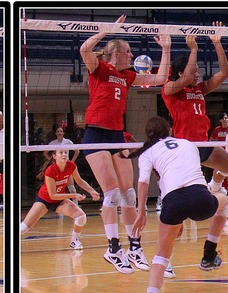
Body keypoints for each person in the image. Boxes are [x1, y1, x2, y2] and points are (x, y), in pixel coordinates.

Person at [79, 14, 171, 273]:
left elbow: (160, 78)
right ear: (115, 54)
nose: (131, 56)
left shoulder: (128, 76)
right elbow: (84, 49)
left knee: (128, 193)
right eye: (128, 52)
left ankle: (135, 246)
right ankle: (113, 248)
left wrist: (166, 49)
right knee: (111, 194)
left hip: (117, 134)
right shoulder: (99, 68)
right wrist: (107, 30)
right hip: (95, 135)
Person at [125, 117, 228, 293]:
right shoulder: (188, 144)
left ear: (148, 135)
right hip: (200, 197)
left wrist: (141, 212)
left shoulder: (147, 152)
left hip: (172, 203)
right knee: (225, 202)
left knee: (160, 258)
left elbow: (143, 181)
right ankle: (208, 255)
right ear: (171, 130)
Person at [161, 27, 228, 196]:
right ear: (180, 72)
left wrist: (217, 43)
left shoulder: (200, 89)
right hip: (184, 145)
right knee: (187, 186)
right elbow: (186, 79)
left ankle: (215, 186)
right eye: (194, 71)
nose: (197, 74)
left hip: (203, 142)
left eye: (197, 71)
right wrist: (193, 49)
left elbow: (225, 73)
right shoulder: (170, 89)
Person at [21, 149, 100, 249]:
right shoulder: (50, 170)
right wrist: (74, 195)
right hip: (45, 200)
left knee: (81, 217)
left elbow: (79, 181)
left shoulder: (71, 165)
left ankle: (74, 241)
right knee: (24, 227)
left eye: (66, 153)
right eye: (61, 153)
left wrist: (92, 191)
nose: (64, 155)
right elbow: (53, 195)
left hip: (59, 200)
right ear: (54, 156)